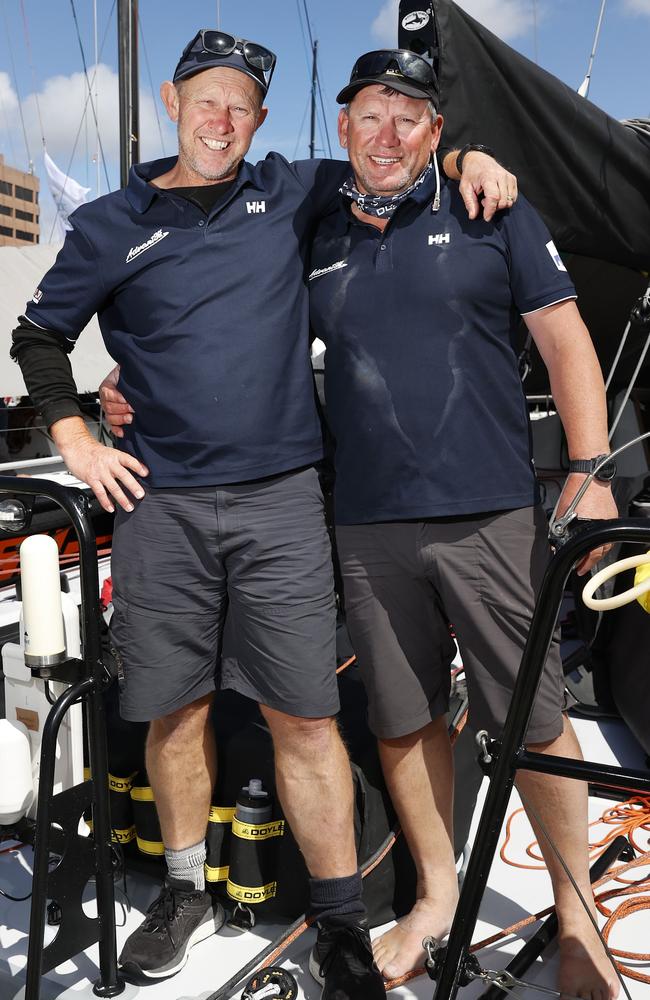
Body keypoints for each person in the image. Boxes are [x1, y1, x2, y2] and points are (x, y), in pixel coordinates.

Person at [11, 30, 516, 997]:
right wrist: (77, 436)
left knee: (306, 716)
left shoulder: (289, 190)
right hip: (158, 504)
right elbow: (38, 335)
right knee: (173, 711)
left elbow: (393, 150)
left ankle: (334, 921)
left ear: (261, 120)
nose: (223, 120)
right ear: (171, 101)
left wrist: (468, 156)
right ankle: (188, 892)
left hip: (284, 499)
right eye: (207, 99)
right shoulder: (113, 223)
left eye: (242, 105)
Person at [303, 50, 620, 1000]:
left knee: (531, 717)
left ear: (438, 135)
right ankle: (437, 895)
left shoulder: (492, 209)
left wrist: (591, 468)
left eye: (410, 118)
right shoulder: (315, 228)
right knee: (402, 719)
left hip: (487, 513)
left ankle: (577, 919)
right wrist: (124, 383)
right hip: (364, 521)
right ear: (344, 127)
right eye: (370, 115)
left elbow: (568, 341)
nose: (387, 133)